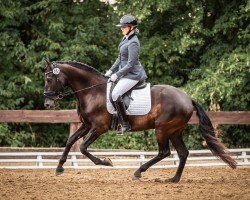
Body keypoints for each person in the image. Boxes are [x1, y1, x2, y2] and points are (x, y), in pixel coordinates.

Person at [105, 14, 147, 135]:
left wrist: (116, 75)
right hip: (124, 73)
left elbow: (130, 64)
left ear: (132, 27)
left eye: (124, 27)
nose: (121, 28)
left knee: (115, 94)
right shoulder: (126, 38)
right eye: (121, 27)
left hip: (133, 74)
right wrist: (111, 70)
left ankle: (125, 124)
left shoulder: (134, 42)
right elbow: (120, 58)